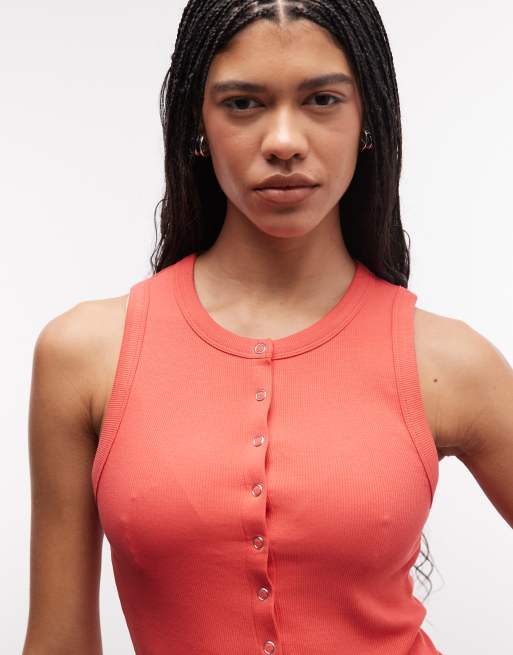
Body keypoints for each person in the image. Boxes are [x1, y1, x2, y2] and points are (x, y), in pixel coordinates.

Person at [23, 1, 513, 654]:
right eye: (243, 104)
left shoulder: (448, 362)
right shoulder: (86, 357)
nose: (283, 140)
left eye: (322, 100)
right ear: (197, 125)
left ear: (367, 119)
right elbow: (58, 642)